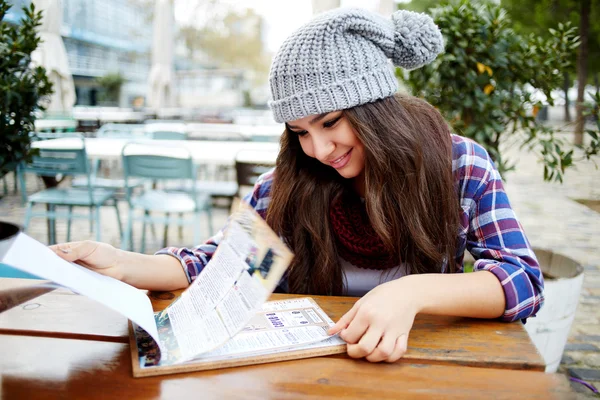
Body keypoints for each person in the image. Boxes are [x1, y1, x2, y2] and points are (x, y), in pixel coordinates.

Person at [51, 8, 544, 363]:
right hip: (310, 373)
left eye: (331, 122)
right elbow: (222, 269)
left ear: (377, 111)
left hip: (424, 366)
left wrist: (412, 293)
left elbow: (522, 280)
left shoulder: (459, 165)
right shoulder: (282, 187)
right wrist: (122, 262)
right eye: (300, 132)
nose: (319, 150)